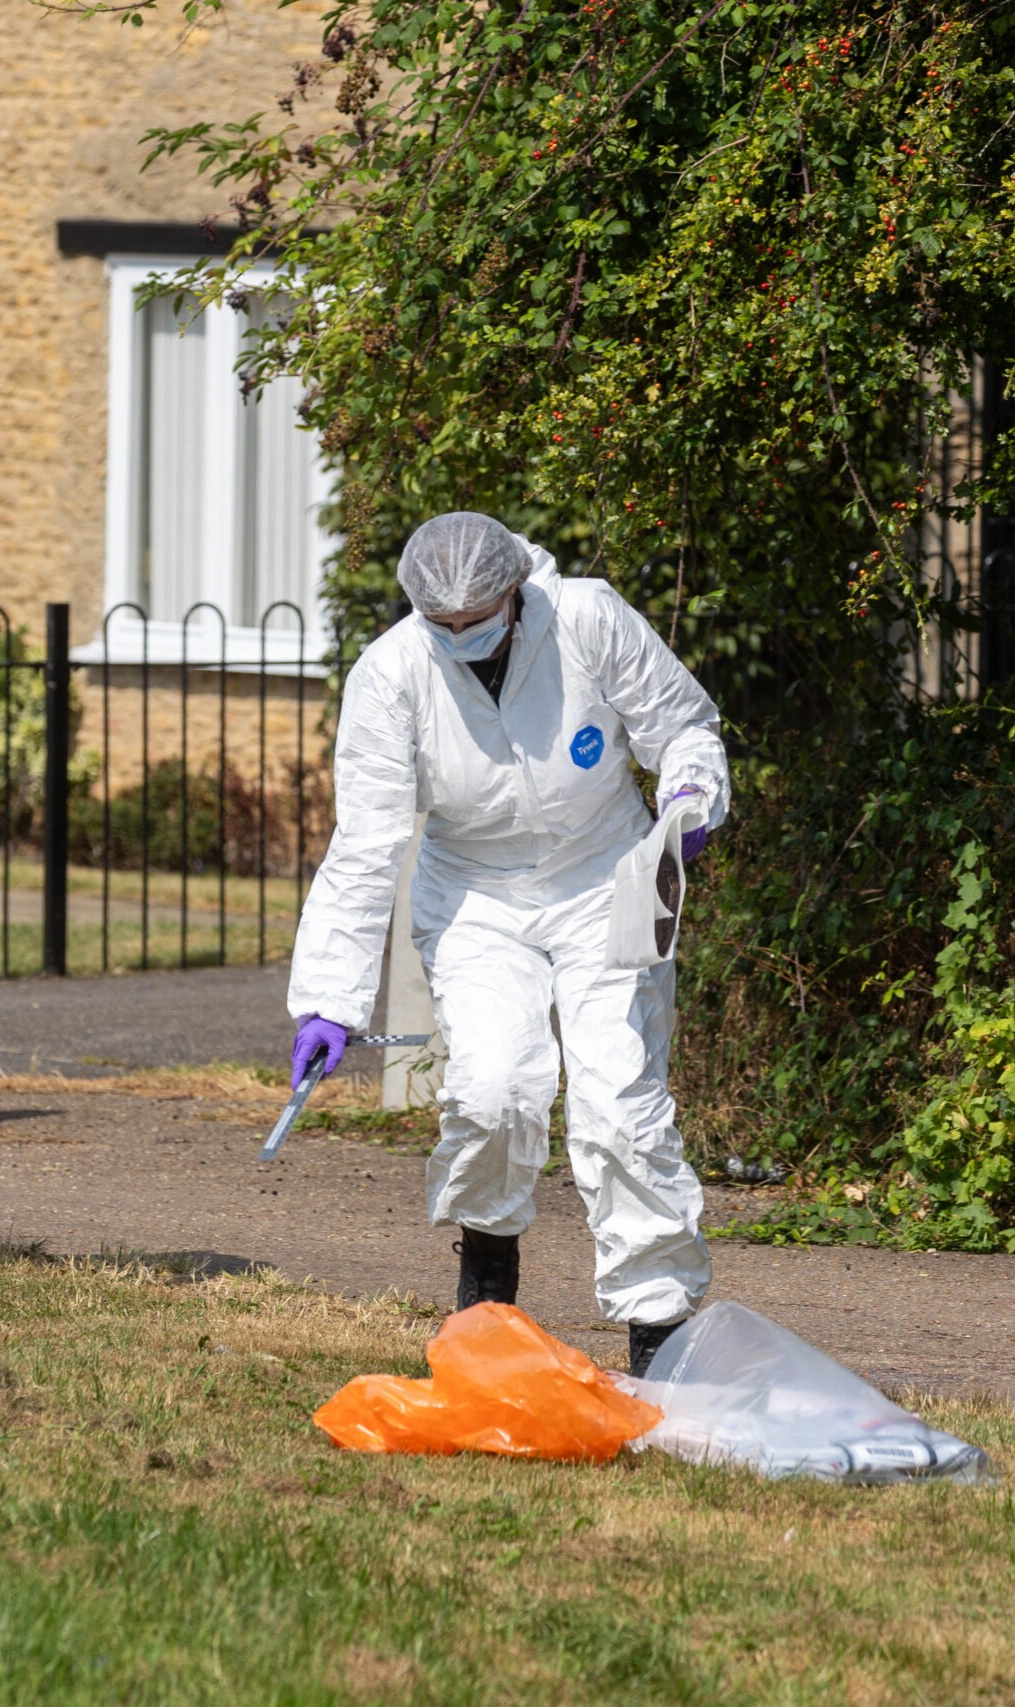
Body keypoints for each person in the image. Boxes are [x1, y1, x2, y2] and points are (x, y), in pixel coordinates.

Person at [285, 513, 730, 1374]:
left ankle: (659, 1334)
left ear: (515, 592)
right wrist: (329, 998)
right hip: (477, 895)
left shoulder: (589, 619)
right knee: (493, 1087)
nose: (463, 637)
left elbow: (685, 727)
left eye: (478, 619)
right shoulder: (392, 673)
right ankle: (487, 1280)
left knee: (620, 1103)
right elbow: (368, 841)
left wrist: (687, 797)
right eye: (442, 625)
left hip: (607, 874)